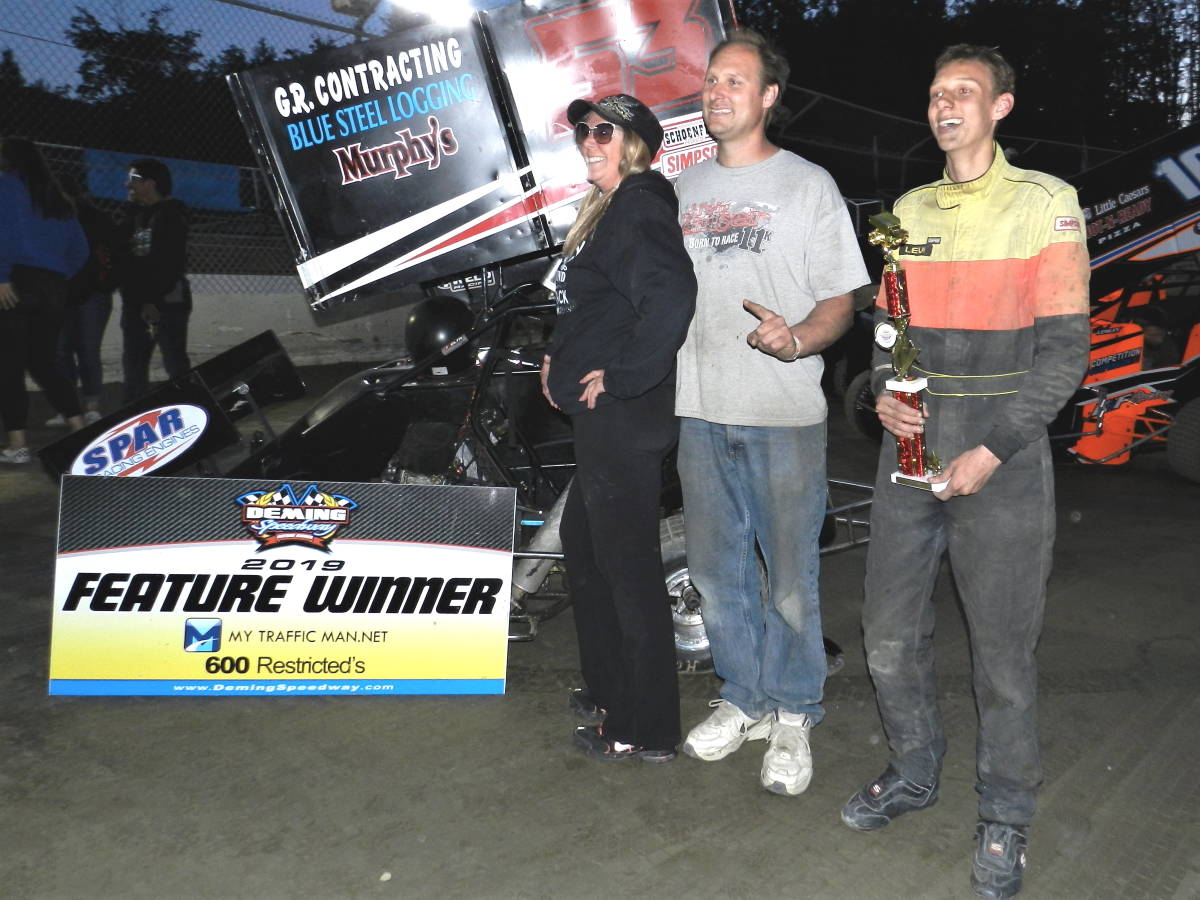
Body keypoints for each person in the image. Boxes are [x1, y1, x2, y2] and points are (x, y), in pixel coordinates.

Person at [840, 46, 1090, 900]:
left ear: (1000, 107)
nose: (946, 105)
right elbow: (889, 331)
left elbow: (1065, 354)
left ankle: (1006, 814)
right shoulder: (907, 211)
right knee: (887, 638)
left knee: (1003, 656)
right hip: (908, 460)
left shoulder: (1046, 204)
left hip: (1002, 464)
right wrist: (884, 393)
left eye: (965, 92)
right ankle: (915, 772)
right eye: (937, 93)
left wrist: (995, 447)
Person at [673, 29, 869, 794]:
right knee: (717, 576)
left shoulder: (808, 185)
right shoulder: (681, 189)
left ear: (768, 97)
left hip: (783, 413)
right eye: (711, 79)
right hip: (699, 410)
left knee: (789, 580)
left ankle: (793, 712)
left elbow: (840, 302)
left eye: (735, 80)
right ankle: (743, 697)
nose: (716, 91)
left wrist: (797, 341)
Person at [541, 93, 697, 762]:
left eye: (604, 131)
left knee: (628, 570)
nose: (588, 140)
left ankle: (646, 726)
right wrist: (559, 353)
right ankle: (610, 688)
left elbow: (673, 296)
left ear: (634, 144)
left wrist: (623, 377)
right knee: (585, 545)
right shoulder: (607, 211)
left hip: (624, 419)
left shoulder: (638, 205)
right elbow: (594, 306)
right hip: (605, 420)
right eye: (583, 130)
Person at [0, 136, 89, 464]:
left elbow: (4, 231)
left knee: (9, 365)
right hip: (53, 286)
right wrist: (57, 277)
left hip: (16, 280)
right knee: (43, 362)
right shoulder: (56, 197)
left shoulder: (5, 186)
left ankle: (18, 445)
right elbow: (80, 250)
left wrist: (2, 276)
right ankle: (81, 430)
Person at [119, 157, 190, 402]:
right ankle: (133, 413)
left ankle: (190, 407)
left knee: (175, 362)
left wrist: (151, 300)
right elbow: (125, 259)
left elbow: (170, 263)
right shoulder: (133, 216)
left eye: (133, 179)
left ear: (150, 184)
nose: (127, 184)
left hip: (167, 302)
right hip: (137, 302)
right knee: (134, 363)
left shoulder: (171, 216)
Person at [48, 193, 120, 426]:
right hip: (63, 295)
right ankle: (69, 408)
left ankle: (91, 406)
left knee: (86, 351)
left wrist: (104, 285)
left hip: (91, 295)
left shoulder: (95, 219)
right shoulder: (51, 218)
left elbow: (116, 252)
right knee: (61, 352)